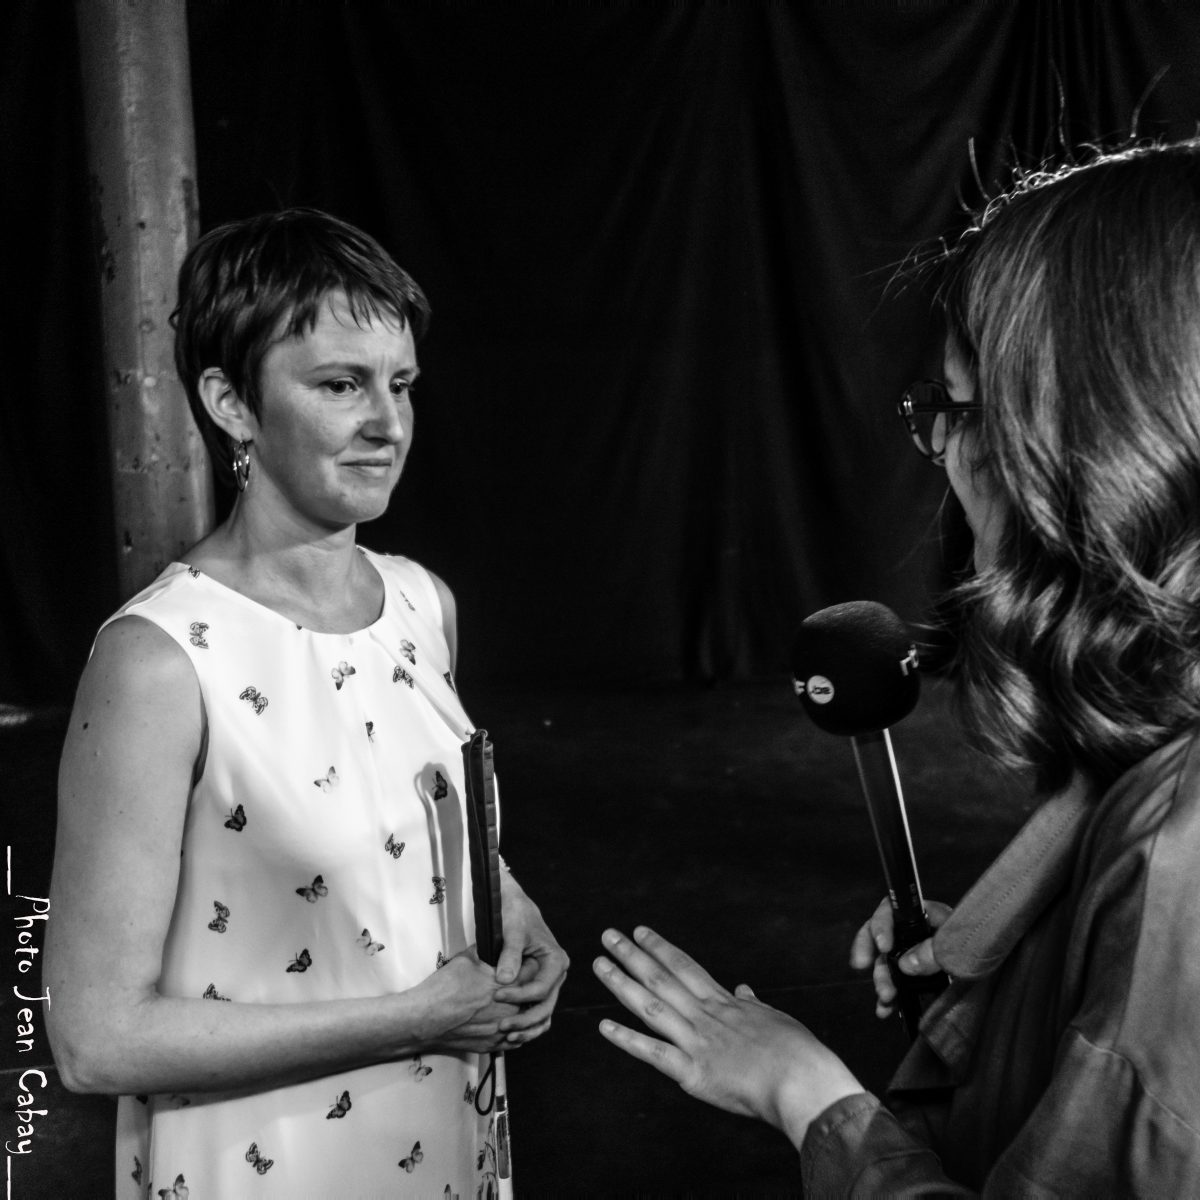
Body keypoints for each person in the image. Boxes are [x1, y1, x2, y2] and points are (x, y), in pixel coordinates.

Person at [592, 138, 1200, 1194]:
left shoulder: (1181, 855)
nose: (946, 458)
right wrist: (1005, 978)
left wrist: (805, 1093)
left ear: (1086, 443)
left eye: (958, 412)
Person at [45, 208, 568, 1197]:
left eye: (401, 383)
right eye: (341, 385)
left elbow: (413, 842)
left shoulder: (419, 602)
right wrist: (418, 1019)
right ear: (231, 402)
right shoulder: (159, 662)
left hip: (446, 1139)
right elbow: (95, 1040)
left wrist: (523, 924)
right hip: (269, 1165)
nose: (389, 422)